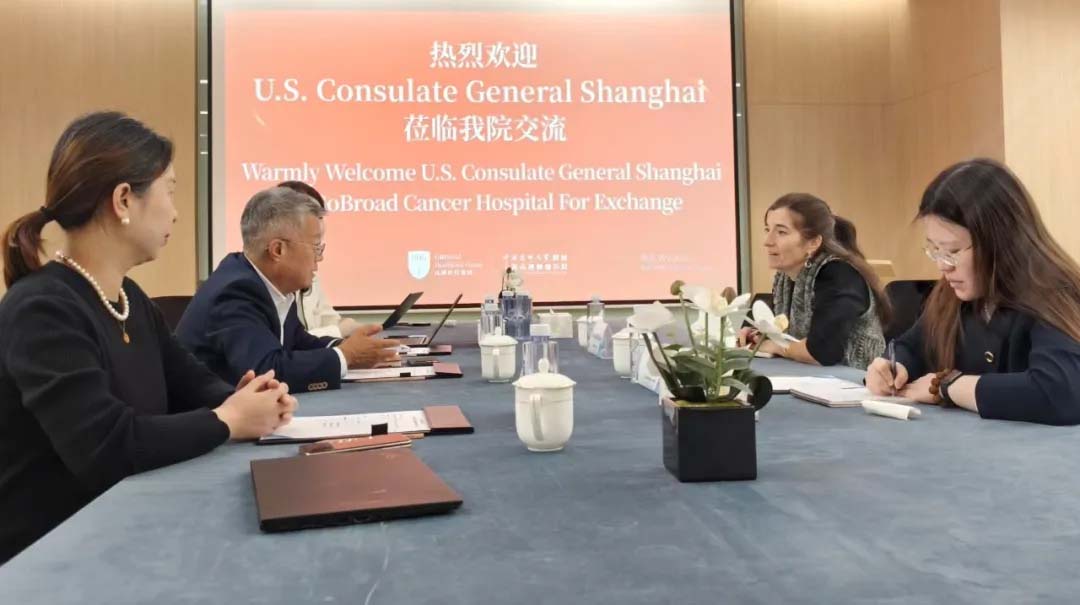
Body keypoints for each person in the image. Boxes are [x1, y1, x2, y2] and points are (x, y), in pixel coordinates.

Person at [0, 112, 296, 563]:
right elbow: (106, 447)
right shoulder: (41, 309)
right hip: (47, 559)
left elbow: (192, 384)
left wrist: (252, 398)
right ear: (123, 200)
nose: (175, 211)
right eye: (169, 191)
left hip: (123, 531)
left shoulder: (129, 298)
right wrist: (229, 419)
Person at [866, 159, 1080, 425]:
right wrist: (892, 367)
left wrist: (948, 386)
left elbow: (1060, 393)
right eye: (935, 249)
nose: (943, 266)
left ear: (1001, 242)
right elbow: (913, 346)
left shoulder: (1053, 292)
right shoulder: (954, 294)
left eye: (953, 251)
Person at [176, 187, 399, 393]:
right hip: (208, 417)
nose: (320, 258)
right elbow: (266, 371)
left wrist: (349, 348)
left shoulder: (271, 284)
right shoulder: (237, 291)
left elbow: (299, 343)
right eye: (316, 247)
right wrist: (346, 356)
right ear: (278, 250)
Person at [745, 193, 891, 368]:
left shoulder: (839, 275)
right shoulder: (786, 277)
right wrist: (758, 335)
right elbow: (788, 335)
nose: (768, 241)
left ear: (813, 242)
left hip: (857, 379)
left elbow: (822, 351)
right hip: (812, 376)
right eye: (767, 230)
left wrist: (777, 346)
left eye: (781, 232)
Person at [276, 180, 361, 339]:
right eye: (314, 247)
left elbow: (329, 320)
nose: (319, 258)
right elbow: (284, 344)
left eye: (319, 216)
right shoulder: (257, 287)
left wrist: (350, 330)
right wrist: (339, 331)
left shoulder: (309, 275)